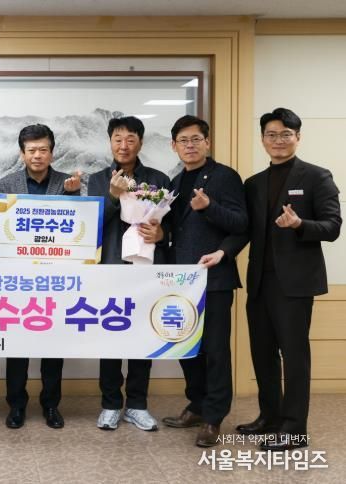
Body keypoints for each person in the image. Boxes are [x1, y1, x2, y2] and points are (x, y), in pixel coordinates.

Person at [232, 108, 341, 451]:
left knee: (294, 356)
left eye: (285, 134)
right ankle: (270, 417)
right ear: (262, 138)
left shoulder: (317, 176)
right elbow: (245, 230)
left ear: (298, 137)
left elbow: (332, 227)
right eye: (271, 134)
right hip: (259, 281)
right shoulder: (254, 183)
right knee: (262, 352)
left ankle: (295, 430)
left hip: (294, 284)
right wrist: (221, 252)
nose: (278, 140)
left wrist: (299, 225)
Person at [160, 115, 247, 447]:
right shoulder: (175, 181)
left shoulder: (225, 177)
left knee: (215, 350)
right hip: (180, 280)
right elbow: (175, 229)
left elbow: (242, 224)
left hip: (214, 278)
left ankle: (213, 417)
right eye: (183, 140)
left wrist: (209, 207)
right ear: (174, 146)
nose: (190, 145)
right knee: (186, 347)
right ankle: (196, 405)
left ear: (207, 142)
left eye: (196, 139)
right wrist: (158, 232)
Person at [86, 116, 169, 432]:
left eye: (130, 139)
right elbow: (91, 224)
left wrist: (161, 234)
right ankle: (109, 404)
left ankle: (137, 405)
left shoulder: (158, 179)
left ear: (140, 143)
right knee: (110, 338)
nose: (124, 145)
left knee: (142, 338)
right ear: (110, 143)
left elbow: (171, 224)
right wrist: (111, 195)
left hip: (145, 270)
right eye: (118, 139)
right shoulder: (97, 180)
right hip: (110, 269)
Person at [0, 123, 81, 430]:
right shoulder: (7, 183)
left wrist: (74, 195)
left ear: (52, 152)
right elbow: (2, 228)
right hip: (19, 279)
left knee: (52, 347)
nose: (37, 155)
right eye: (31, 150)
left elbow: (78, 226)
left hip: (55, 279)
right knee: (17, 347)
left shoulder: (67, 182)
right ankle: (16, 405)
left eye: (43, 150)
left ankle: (51, 405)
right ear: (22, 153)